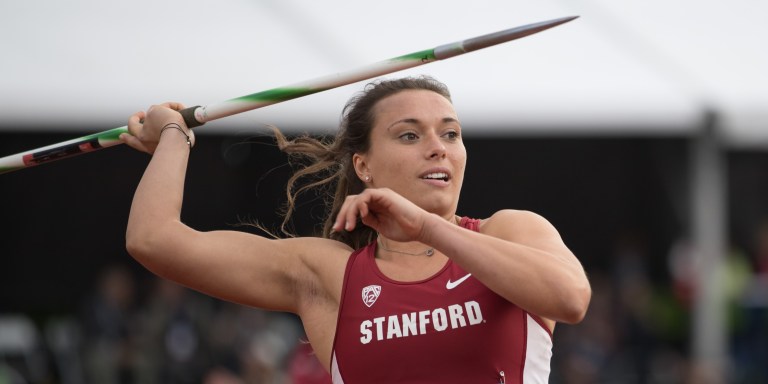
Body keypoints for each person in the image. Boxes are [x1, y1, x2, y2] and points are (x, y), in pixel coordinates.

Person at [119, 75, 591, 383]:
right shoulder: (329, 275)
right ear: (363, 166)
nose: (438, 148)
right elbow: (154, 240)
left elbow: (570, 298)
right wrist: (174, 137)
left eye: (450, 133)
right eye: (410, 135)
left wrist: (427, 227)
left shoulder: (509, 232)